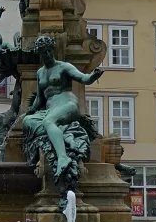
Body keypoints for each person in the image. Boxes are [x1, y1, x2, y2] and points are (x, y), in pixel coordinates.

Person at [23, 35, 104, 179]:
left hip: (68, 104)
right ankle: (66, 136)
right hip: (50, 108)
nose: (47, 55)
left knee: (48, 122)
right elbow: (40, 98)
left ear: (52, 50)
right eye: (43, 52)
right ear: (39, 54)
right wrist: (31, 109)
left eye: (48, 51)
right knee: (28, 121)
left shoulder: (64, 66)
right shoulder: (40, 72)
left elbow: (83, 78)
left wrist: (93, 76)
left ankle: (62, 157)